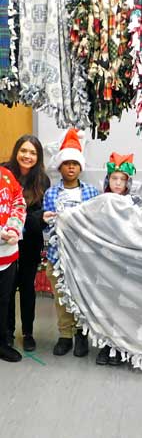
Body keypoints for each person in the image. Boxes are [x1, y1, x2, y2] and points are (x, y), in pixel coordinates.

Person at [43, 129, 99, 357]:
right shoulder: (51, 193)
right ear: (60, 167)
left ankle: (81, 335)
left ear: (80, 167)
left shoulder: (92, 192)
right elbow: (47, 227)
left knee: (82, 296)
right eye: (66, 164)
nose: (71, 167)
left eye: (75, 164)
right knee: (61, 296)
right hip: (58, 255)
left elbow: (97, 224)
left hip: (83, 256)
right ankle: (65, 335)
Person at [3, 135, 50, 352]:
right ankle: (7, 333)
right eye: (24, 151)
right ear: (16, 151)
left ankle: (28, 333)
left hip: (30, 242)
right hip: (4, 243)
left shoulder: (42, 180)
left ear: (38, 157)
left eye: (33, 153)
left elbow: (40, 216)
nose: (27, 156)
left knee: (28, 288)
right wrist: (32, 219)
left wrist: (33, 220)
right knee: (7, 289)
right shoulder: (3, 172)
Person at [96, 152, 137, 367]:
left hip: (126, 262)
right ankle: (105, 346)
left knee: (123, 306)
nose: (118, 183)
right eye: (114, 178)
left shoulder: (134, 203)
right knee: (106, 305)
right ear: (108, 180)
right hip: (105, 261)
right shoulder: (100, 201)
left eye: (122, 179)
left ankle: (121, 348)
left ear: (128, 182)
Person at [0, 166, 26, 362]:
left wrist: (14, 228)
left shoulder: (6, 176)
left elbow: (19, 203)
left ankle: (1, 343)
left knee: (4, 301)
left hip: (7, 254)